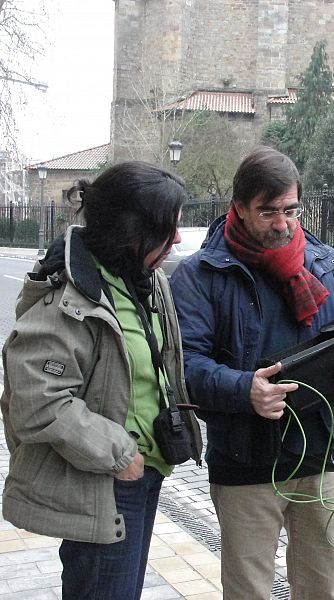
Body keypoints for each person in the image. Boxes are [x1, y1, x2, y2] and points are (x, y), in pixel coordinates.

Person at [169, 146, 334, 600]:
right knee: (249, 593)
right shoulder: (199, 275)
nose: (282, 224)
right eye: (268, 212)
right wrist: (247, 390)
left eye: (290, 210)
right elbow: (185, 365)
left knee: (320, 587)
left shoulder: (321, 260)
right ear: (239, 208)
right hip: (246, 461)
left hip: (320, 455)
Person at [1, 161, 203, 600]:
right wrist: (119, 454)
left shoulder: (143, 279)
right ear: (131, 232)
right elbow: (38, 400)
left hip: (143, 474)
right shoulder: (69, 296)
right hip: (106, 481)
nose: (178, 240)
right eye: (167, 231)